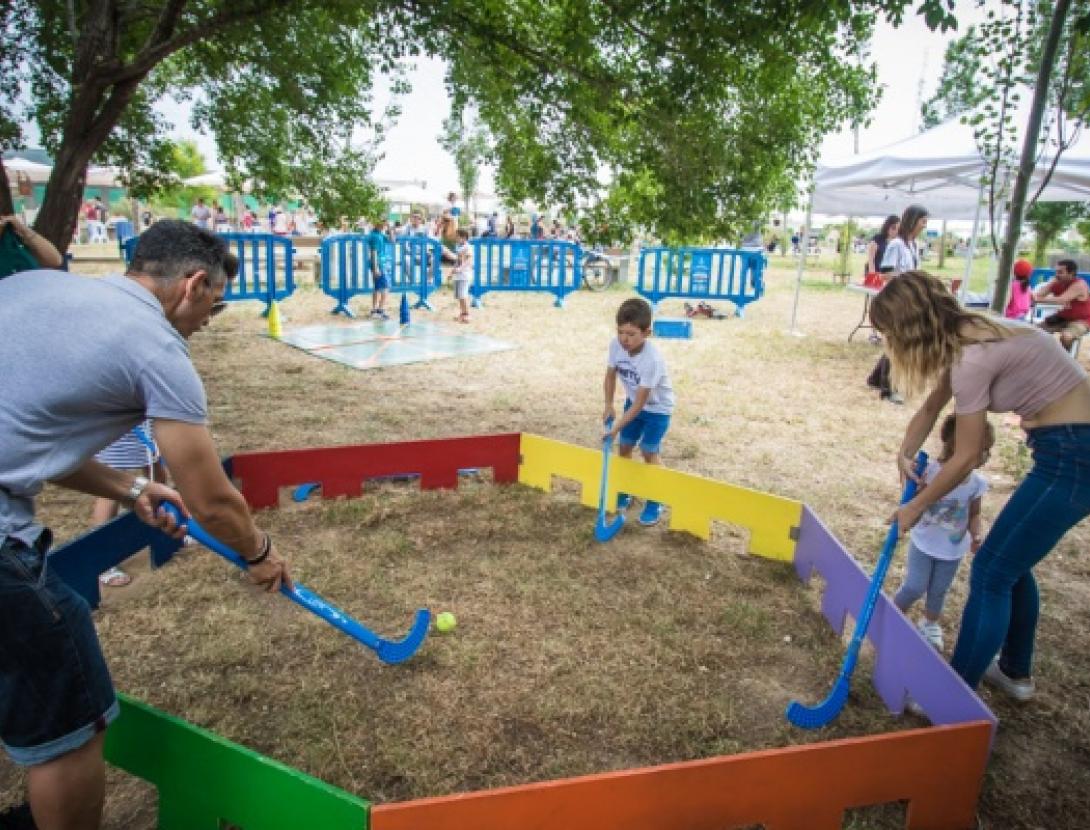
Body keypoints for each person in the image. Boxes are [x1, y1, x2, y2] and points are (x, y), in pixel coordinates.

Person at [0, 219, 291, 828]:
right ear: (192, 285)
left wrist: (131, 487)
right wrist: (259, 552)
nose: (211, 316)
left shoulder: (38, 288)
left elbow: (28, 440)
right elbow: (210, 499)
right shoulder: (157, 346)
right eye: (215, 300)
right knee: (70, 722)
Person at [870, 270, 1090, 703]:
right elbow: (934, 404)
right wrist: (905, 450)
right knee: (1011, 562)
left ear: (911, 328)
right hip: (1067, 448)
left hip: (1073, 454)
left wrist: (916, 508)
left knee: (991, 572)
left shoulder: (974, 358)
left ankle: (949, 700)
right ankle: (1014, 673)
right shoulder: (973, 336)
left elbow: (967, 454)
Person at [892, 413, 994, 650]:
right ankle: (894, 612)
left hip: (952, 550)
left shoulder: (976, 483)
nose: (987, 456)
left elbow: (975, 513)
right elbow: (914, 500)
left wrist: (977, 534)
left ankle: (929, 623)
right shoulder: (932, 471)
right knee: (915, 586)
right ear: (958, 446)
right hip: (924, 543)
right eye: (983, 449)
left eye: (989, 450)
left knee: (939, 590)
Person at [602, 297, 676, 527]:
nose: (625, 339)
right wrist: (608, 405)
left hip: (656, 410)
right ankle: (626, 489)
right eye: (621, 332)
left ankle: (656, 498)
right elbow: (610, 375)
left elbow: (641, 403)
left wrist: (615, 428)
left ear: (647, 332)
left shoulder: (651, 360)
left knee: (648, 451)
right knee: (624, 447)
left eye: (632, 334)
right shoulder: (616, 345)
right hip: (632, 404)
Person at [868, 204, 930, 404]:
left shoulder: (912, 245)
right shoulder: (896, 245)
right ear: (913, 220)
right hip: (897, 299)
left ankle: (876, 378)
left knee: (898, 341)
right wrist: (907, 277)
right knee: (897, 343)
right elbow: (885, 273)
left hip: (909, 299)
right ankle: (888, 388)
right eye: (923, 221)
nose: (924, 226)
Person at [92, 422, 167, 588]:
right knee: (110, 487)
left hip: (144, 421)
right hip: (118, 424)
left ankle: (161, 527)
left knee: (157, 474)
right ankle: (102, 559)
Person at [1033, 258, 1089, 351]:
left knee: (1066, 337)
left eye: (1060, 272)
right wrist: (1051, 283)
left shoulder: (1079, 284)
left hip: (1082, 320)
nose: (1056, 275)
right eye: (1056, 272)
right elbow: (1038, 295)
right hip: (1062, 317)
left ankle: (1066, 360)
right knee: (1035, 331)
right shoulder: (1057, 282)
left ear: (1071, 273)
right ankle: (1044, 355)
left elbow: (1061, 300)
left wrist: (1040, 299)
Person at [367, 218, 390, 319]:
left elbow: (392, 240)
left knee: (377, 287)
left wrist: (390, 228)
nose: (383, 224)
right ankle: (380, 310)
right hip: (379, 264)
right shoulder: (375, 236)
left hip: (379, 264)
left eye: (384, 221)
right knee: (385, 288)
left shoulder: (379, 234)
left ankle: (374, 310)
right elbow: (374, 252)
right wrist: (376, 267)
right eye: (382, 222)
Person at [451, 228, 473, 323]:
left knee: (463, 296)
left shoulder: (468, 247)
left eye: (457, 236)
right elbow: (457, 261)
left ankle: (467, 314)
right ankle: (462, 313)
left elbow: (468, 260)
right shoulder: (458, 247)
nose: (456, 238)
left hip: (464, 275)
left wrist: (460, 269)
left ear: (463, 237)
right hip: (458, 275)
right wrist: (452, 271)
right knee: (459, 296)